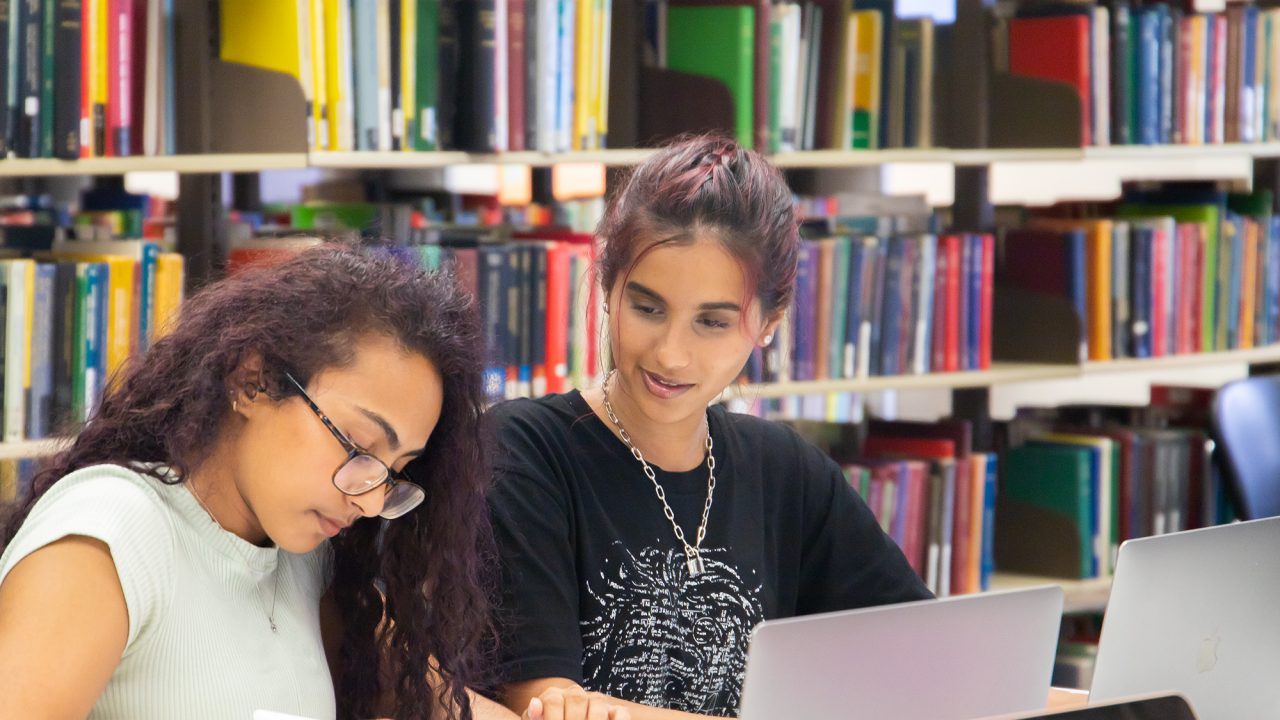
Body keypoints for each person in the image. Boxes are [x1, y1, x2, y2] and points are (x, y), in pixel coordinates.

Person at [0, 245, 627, 720]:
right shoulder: (113, 532)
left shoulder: (304, 559)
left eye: (398, 472)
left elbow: (438, 701)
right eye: (358, 445)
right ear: (254, 382)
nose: (372, 499)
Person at [488, 136, 933, 719]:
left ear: (768, 323)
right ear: (606, 287)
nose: (671, 355)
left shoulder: (786, 470)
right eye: (646, 308)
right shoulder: (521, 452)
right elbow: (546, 707)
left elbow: (927, 659)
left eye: (712, 323)